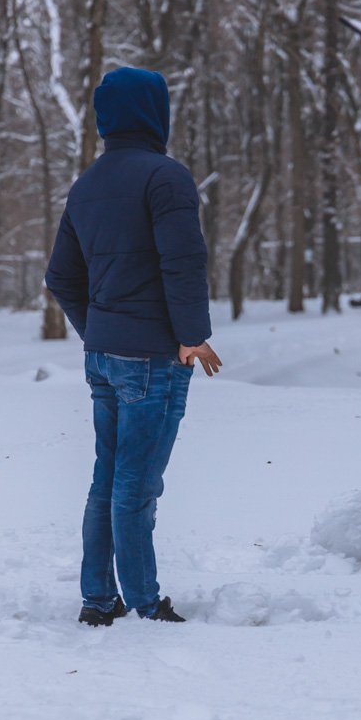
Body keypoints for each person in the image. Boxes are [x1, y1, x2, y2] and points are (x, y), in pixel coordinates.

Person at [45, 66, 222, 625]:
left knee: (107, 481)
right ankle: (145, 602)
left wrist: (99, 329)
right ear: (154, 113)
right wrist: (191, 336)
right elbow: (182, 262)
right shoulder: (165, 177)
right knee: (136, 487)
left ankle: (98, 600)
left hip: (103, 357)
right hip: (152, 359)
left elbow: (60, 276)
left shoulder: (87, 184)